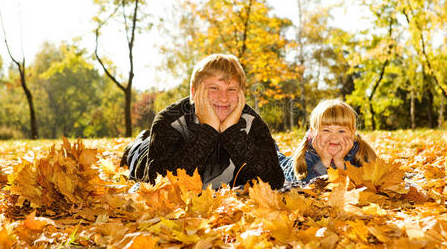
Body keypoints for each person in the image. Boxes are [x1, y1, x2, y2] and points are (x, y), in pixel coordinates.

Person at [121, 53, 284, 190]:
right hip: (146, 156)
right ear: (194, 92)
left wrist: (231, 132)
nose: (224, 98)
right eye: (214, 88)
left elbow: (275, 181)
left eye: (232, 89)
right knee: (138, 151)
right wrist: (210, 130)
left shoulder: (253, 122)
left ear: (241, 94)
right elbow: (159, 182)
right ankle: (138, 142)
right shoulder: (169, 119)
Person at [278, 99, 377, 185]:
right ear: (313, 132)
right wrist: (324, 161)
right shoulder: (308, 155)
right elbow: (305, 185)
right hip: (282, 166)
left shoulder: (360, 153)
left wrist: (339, 162)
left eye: (341, 131)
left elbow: (363, 183)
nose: (334, 136)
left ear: (352, 132)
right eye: (326, 130)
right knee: (273, 156)